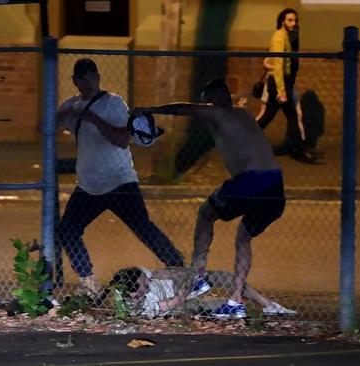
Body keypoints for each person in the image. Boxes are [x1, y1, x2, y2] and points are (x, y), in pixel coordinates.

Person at [133, 79, 286, 319]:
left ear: (213, 99)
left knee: (206, 213)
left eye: (207, 101)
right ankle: (235, 301)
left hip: (251, 181)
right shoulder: (243, 114)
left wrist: (150, 110)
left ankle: (199, 276)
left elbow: (184, 108)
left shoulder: (219, 113)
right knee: (243, 237)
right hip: (275, 185)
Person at [55, 58, 185, 296]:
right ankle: (88, 281)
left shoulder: (113, 103)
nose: (89, 81)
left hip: (120, 181)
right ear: (75, 81)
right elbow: (49, 126)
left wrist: (92, 118)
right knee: (68, 229)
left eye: (92, 75)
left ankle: (180, 271)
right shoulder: (72, 105)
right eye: (83, 77)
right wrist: (61, 116)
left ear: (98, 77)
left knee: (143, 228)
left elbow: (121, 139)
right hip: (89, 185)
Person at [103, 266, 296, 319]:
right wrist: (187, 282)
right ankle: (240, 308)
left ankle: (270, 306)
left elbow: (161, 272)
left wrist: (189, 273)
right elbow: (177, 300)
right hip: (183, 300)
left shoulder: (131, 277)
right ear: (133, 295)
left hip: (180, 282)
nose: (148, 284)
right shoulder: (142, 308)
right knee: (221, 306)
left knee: (229, 279)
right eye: (144, 286)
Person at [256, 8, 316, 164]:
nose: (293, 23)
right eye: (290, 20)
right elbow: (278, 64)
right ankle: (299, 152)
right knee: (289, 117)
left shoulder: (289, 36)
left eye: (295, 20)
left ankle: (242, 142)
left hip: (284, 82)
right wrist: (281, 91)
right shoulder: (279, 37)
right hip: (279, 83)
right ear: (282, 20)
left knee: (271, 117)